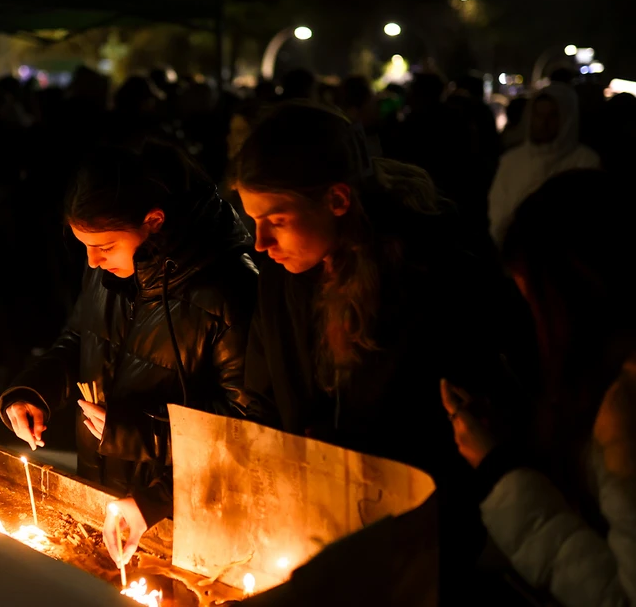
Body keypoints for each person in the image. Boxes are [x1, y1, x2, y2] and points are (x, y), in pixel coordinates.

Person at [234, 101, 533, 601]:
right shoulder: (281, 278)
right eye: (254, 221)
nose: (260, 242)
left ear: (337, 199)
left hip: (414, 549)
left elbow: (463, 437)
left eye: (277, 220)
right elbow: (264, 387)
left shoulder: (435, 282)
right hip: (316, 534)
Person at [0, 140, 263, 566]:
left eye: (103, 245)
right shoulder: (107, 272)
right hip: (105, 496)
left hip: (184, 520)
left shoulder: (229, 290)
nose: (92, 260)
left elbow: (247, 430)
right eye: (83, 245)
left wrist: (148, 480)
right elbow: (78, 341)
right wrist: (35, 390)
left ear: (153, 221)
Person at [443, 170, 636, 607]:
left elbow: (619, 597)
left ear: (571, 299)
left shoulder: (625, 409)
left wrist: (499, 471)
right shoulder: (599, 382)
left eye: (533, 301)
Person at [488, 83, 600, 245]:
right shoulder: (511, 161)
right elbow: (497, 211)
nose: (543, 123)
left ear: (566, 119)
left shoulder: (585, 162)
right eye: (539, 115)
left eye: (552, 116)